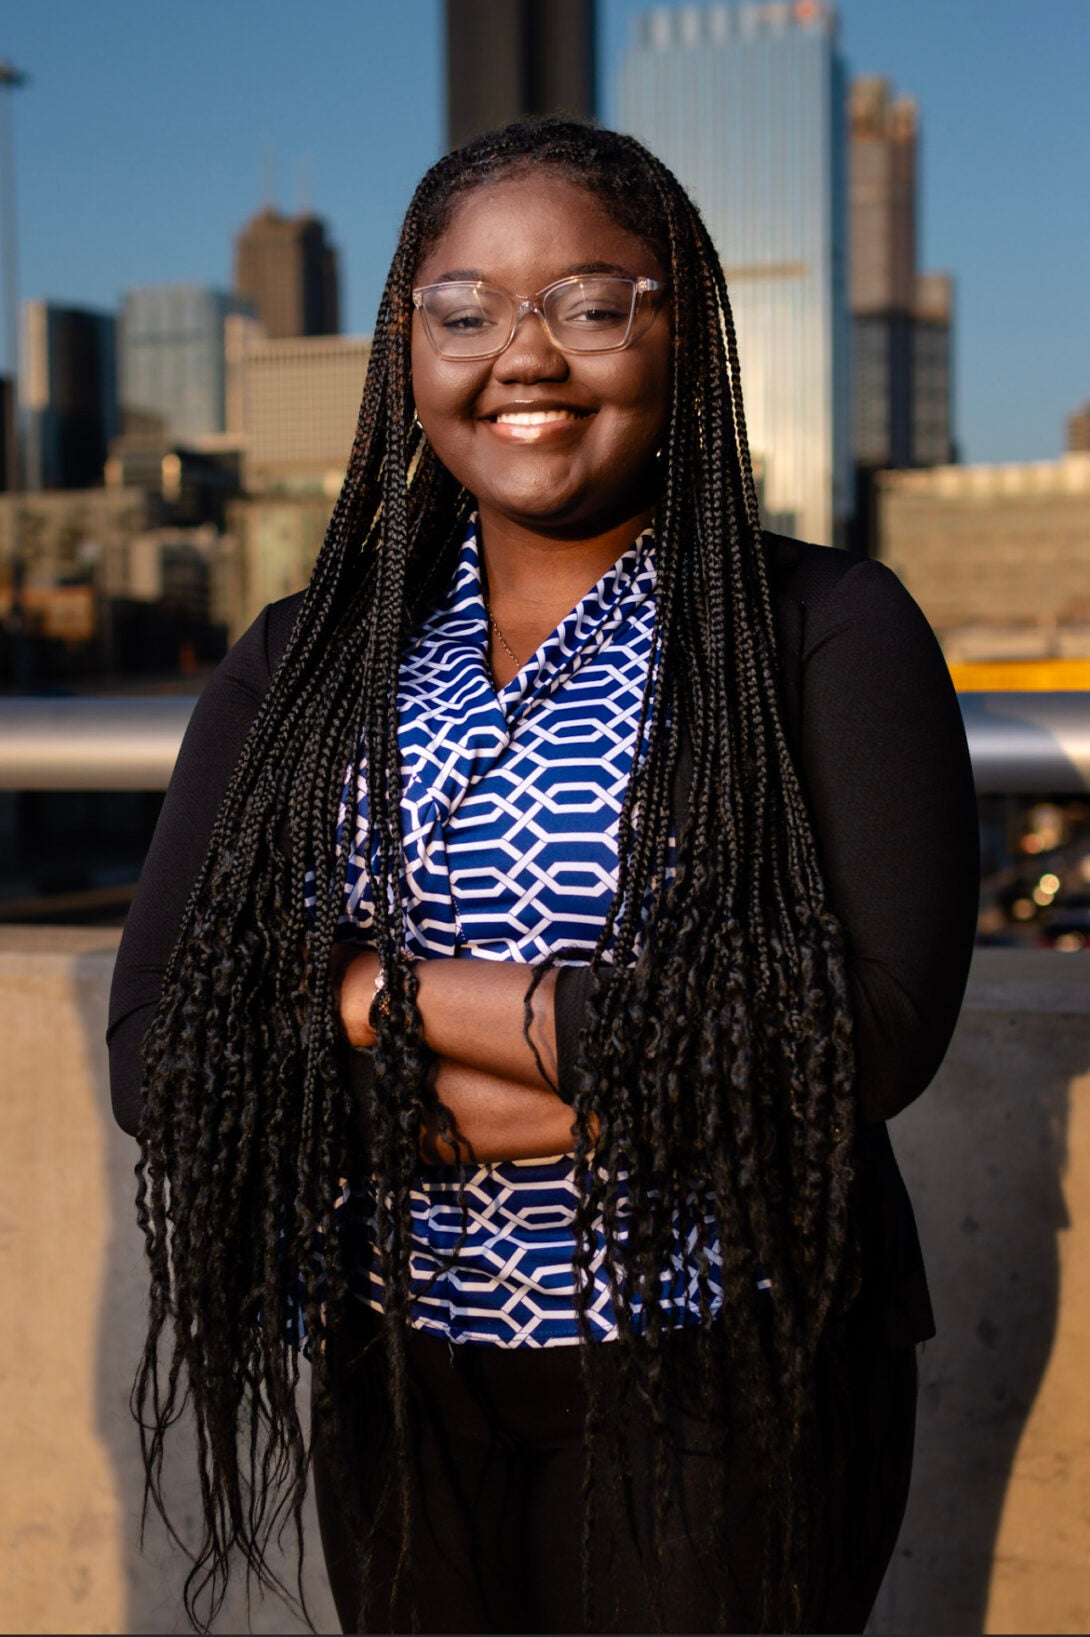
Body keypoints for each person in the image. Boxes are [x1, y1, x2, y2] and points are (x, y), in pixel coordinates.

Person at [108, 117, 979, 1635]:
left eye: (587, 303)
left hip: (726, 1377)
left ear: (679, 328)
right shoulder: (300, 666)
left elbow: (854, 1042)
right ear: (407, 351)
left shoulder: (821, 628)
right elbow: (161, 1058)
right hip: (401, 1373)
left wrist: (371, 992)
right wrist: (650, 1072)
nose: (525, 356)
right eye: (465, 312)